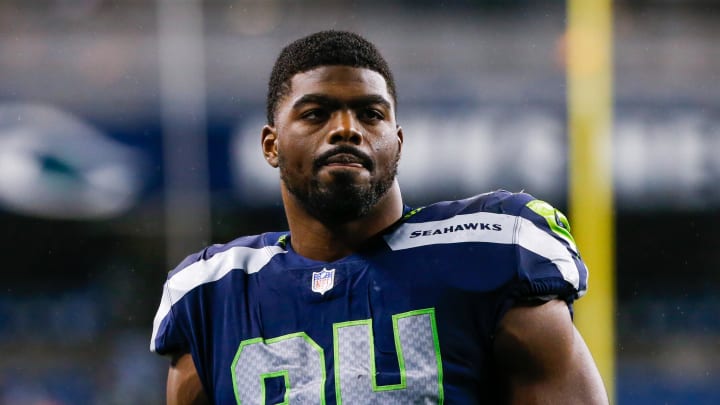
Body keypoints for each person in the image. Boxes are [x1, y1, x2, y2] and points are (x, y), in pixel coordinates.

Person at [151, 30, 608, 404]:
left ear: (398, 141)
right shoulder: (211, 295)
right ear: (271, 144)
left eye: (370, 114)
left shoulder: (489, 250)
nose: (347, 129)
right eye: (316, 113)